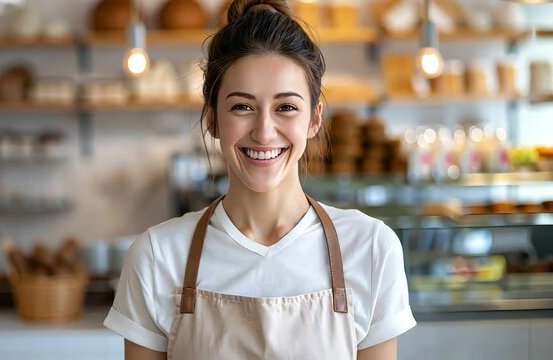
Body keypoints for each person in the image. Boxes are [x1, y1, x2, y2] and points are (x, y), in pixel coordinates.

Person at [103, 0, 416, 358]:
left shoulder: (370, 249)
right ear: (213, 119)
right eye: (242, 106)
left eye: (286, 107)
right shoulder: (157, 257)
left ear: (314, 119)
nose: (264, 132)